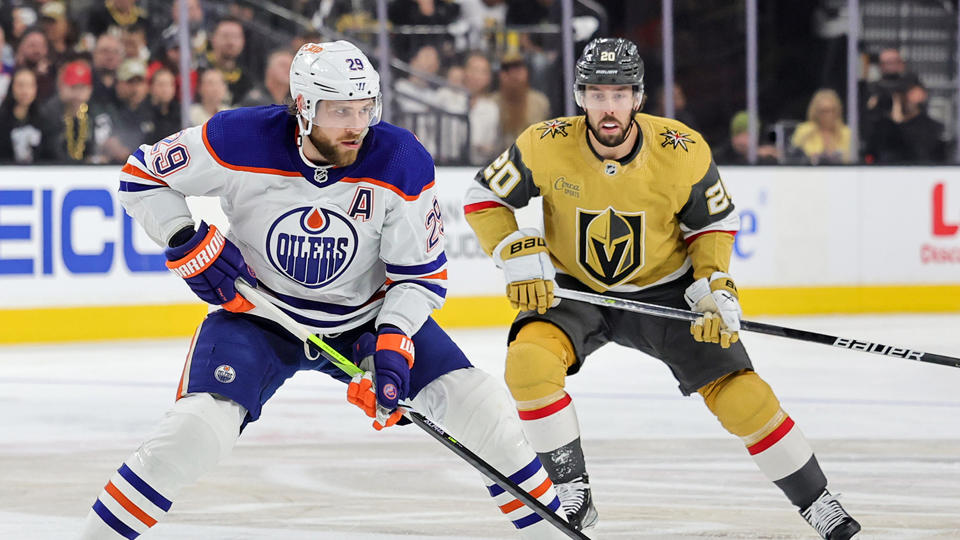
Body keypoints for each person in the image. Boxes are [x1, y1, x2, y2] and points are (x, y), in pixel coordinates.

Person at [78, 40, 567, 540]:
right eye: (340, 111)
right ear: (304, 108)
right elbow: (142, 176)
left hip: (366, 322)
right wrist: (185, 239)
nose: (357, 125)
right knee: (192, 433)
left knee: (481, 406)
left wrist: (394, 342)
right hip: (258, 315)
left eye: (365, 109)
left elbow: (419, 277)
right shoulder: (238, 138)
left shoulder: (400, 160)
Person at [463, 37, 862, 539]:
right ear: (579, 96)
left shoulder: (682, 149)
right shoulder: (544, 142)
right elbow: (482, 197)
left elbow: (711, 224)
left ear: (639, 97)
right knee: (527, 365)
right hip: (577, 290)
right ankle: (571, 490)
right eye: (598, 94)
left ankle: (818, 501)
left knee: (744, 398)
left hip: (666, 293)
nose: (609, 108)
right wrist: (511, 250)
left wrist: (713, 282)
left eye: (621, 94)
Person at [865, 82, 947, 164]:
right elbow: (872, 154)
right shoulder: (883, 127)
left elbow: (920, 154)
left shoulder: (930, 127)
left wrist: (900, 124)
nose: (907, 101)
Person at [790, 88, 853, 164]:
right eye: (824, 111)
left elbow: (851, 159)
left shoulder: (846, 132)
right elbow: (793, 156)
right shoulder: (804, 130)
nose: (829, 115)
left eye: (833, 110)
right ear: (816, 112)